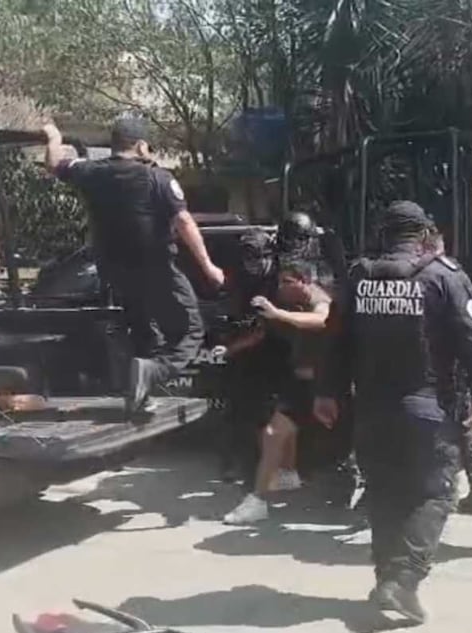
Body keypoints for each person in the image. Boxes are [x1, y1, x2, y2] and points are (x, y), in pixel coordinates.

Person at [314, 201, 472, 624]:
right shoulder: (443, 276)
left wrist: (327, 391)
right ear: (424, 233)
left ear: (384, 234)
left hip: (372, 409)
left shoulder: (358, 277)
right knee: (436, 493)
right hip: (428, 408)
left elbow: (334, 340)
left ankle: (386, 580)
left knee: (385, 495)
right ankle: (403, 580)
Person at [43, 118, 225, 413]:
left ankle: (140, 394)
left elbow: (54, 164)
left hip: (114, 271)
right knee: (191, 331)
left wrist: (53, 136)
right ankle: (154, 372)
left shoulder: (91, 172)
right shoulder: (158, 178)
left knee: (143, 330)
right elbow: (183, 222)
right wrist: (208, 266)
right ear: (141, 145)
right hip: (156, 268)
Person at [223, 257, 332, 525]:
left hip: (330, 387)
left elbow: (321, 320)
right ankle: (262, 497)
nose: (281, 287)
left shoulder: (321, 298)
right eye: (280, 281)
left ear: (305, 281)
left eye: (288, 282)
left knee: (355, 445)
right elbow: (263, 332)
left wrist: (278, 313)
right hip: (300, 386)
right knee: (274, 433)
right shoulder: (285, 304)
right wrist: (229, 349)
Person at [427, 230, 472, 515]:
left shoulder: (441, 276)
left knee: (451, 429)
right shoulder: (456, 275)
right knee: (465, 428)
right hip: (457, 361)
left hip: (443, 363)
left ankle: (451, 491)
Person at [217, 228, 285, 482]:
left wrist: (229, 348)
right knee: (235, 412)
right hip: (245, 356)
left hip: (276, 353)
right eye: (248, 259)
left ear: (269, 256)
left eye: (257, 257)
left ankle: (268, 469)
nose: (252, 264)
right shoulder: (241, 280)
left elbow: (263, 331)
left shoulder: (279, 281)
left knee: (267, 416)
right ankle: (236, 465)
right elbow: (235, 312)